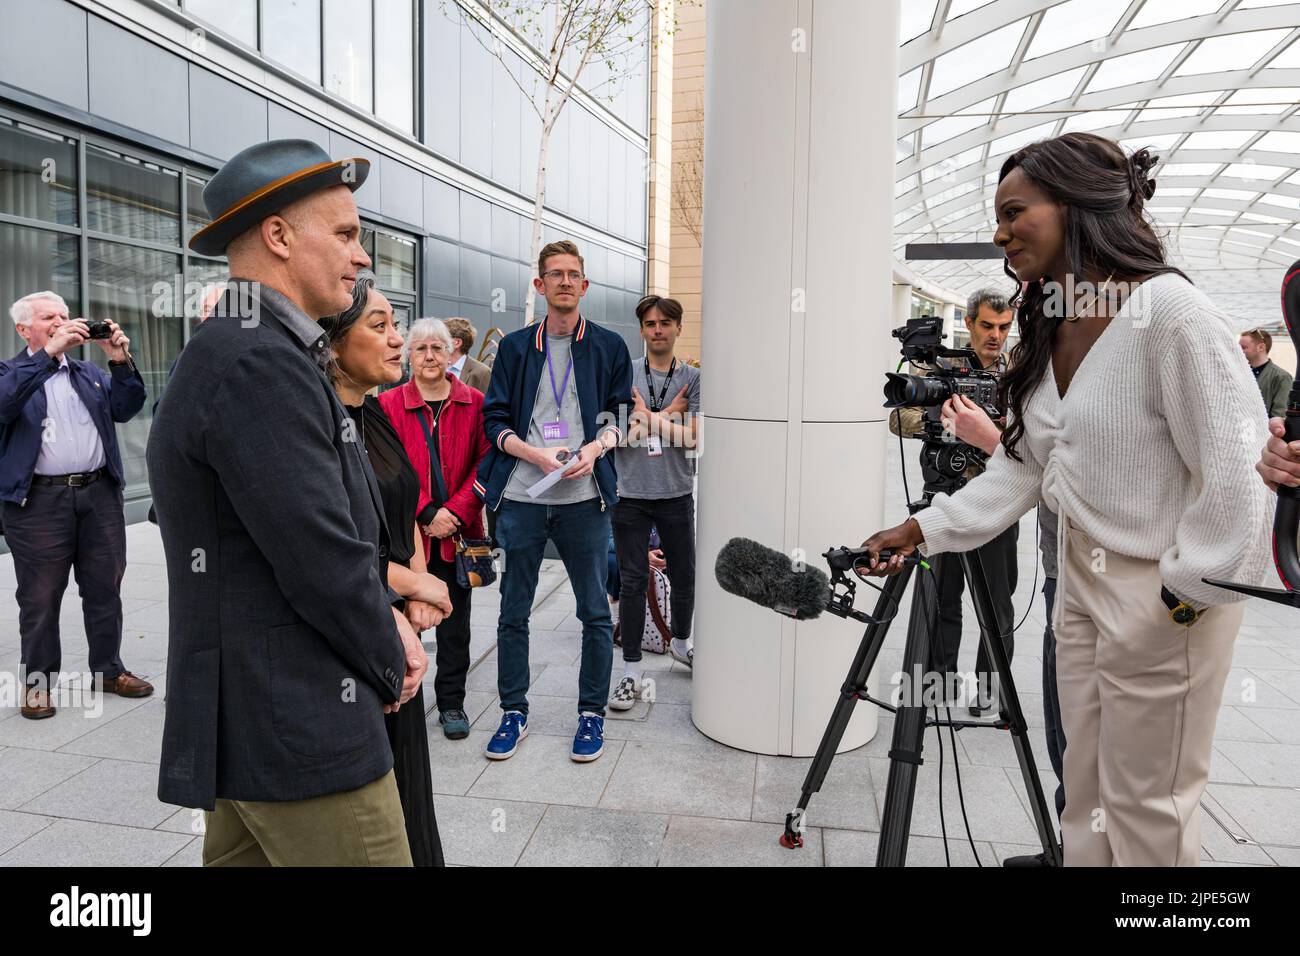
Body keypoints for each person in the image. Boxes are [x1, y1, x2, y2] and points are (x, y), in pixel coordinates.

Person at [861, 133, 1271, 867]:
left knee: (1149, 806)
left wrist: (1182, 595)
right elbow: (1024, 468)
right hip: (1079, 582)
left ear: (1077, 205)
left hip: (1164, 597)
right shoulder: (1056, 326)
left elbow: (1236, 475)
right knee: (1082, 787)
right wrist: (922, 527)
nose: (998, 232)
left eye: (1015, 210)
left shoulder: (1172, 315)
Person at [148, 139, 428, 867]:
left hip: (259, 725)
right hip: (300, 728)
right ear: (277, 236)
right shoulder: (256, 361)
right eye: (344, 233)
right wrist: (386, 651)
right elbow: (322, 559)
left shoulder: (248, 346)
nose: (361, 256)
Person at [476, 239, 632, 763]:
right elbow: (493, 421)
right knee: (512, 610)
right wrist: (534, 454)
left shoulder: (608, 346)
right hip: (523, 495)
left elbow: (622, 417)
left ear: (584, 286)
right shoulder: (518, 347)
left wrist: (596, 447)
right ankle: (513, 712)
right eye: (554, 274)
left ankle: (591, 715)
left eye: (573, 274)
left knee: (594, 612)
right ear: (539, 286)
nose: (565, 281)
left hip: (585, 498)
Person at [319, 274, 453, 866]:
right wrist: (417, 584)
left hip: (400, 625)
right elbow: (335, 547)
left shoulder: (374, 416)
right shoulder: (320, 427)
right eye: (380, 327)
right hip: (358, 630)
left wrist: (420, 593)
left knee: (410, 795)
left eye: (396, 325)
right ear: (332, 344)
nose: (398, 340)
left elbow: (405, 514)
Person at [1, 291, 149, 719]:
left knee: (105, 588)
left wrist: (119, 360)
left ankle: (108, 670)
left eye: (65, 315)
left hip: (98, 495)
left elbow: (128, 407)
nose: (62, 322)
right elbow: (4, 403)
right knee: (40, 596)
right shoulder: (9, 372)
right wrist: (48, 354)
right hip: (37, 503)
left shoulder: (88, 373)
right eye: (50, 317)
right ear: (23, 329)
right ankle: (38, 684)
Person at [888, 288, 1014, 715]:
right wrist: (943, 415)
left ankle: (990, 693)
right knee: (941, 598)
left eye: (1003, 327)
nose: (995, 336)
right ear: (969, 323)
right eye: (986, 326)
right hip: (943, 497)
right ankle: (937, 688)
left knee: (996, 603)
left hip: (998, 501)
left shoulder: (1020, 371)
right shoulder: (943, 364)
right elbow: (897, 415)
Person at [378, 317, 490, 741]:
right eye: (420, 348)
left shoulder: (475, 402)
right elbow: (388, 468)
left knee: (455, 625)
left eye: (437, 349)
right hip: (407, 541)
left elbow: (488, 463)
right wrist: (426, 512)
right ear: (408, 355)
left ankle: (452, 703)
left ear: (451, 354)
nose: (428, 356)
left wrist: (456, 512)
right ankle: (402, 698)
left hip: (459, 538)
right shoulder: (386, 405)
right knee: (408, 619)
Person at [609, 295, 700, 710]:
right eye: (650, 323)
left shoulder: (694, 378)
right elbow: (616, 436)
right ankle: (630, 673)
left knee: (684, 576)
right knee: (631, 582)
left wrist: (650, 417)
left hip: (676, 492)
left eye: (666, 322)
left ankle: (681, 644)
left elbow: (695, 437)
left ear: (678, 328)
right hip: (630, 495)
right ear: (642, 330)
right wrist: (672, 416)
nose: (658, 330)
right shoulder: (624, 373)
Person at [1239, 328, 1291, 419]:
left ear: (1261, 347)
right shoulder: (1240, 373)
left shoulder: (1282, 377)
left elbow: (1279, 414)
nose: (1239, 351)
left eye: (1243, 347)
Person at [444, 317, 492, 393]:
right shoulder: (435, 368)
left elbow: (487, 403)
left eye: (442, 338)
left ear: (457, 342)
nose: (436, 341)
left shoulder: (482, 372)